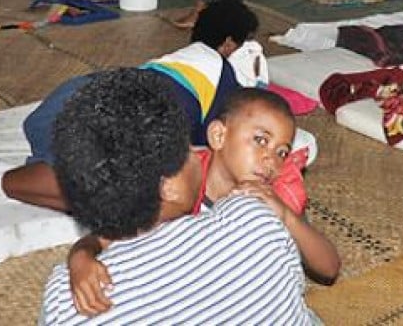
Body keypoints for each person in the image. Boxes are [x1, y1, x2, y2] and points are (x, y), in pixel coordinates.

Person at [40, 70, 314, 325]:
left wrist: (79, 256)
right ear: (167, 186)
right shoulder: (255, 220)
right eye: (184, 150)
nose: (198, 152)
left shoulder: (62, 302)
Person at [2, 0, 255, 211]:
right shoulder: (222, 72)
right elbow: (216, 140)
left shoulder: (175, 60)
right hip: (104, 117)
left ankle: (53, 177)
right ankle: (73, 182)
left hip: (66, 99)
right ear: (230, 44)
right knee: (147, 197)